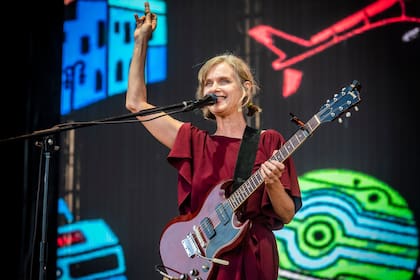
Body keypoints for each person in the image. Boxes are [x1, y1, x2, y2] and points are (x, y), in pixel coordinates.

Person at [126, 2, 302, 280]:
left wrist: (272, 184)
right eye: (208, 83)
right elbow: (136, 103)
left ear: (245, 90)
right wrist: (140, 42)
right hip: (201, 260)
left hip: (252, 258)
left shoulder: (269, 141)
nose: (214, 88)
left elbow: (287, 213)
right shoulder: (194, 141)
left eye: (223, 81)